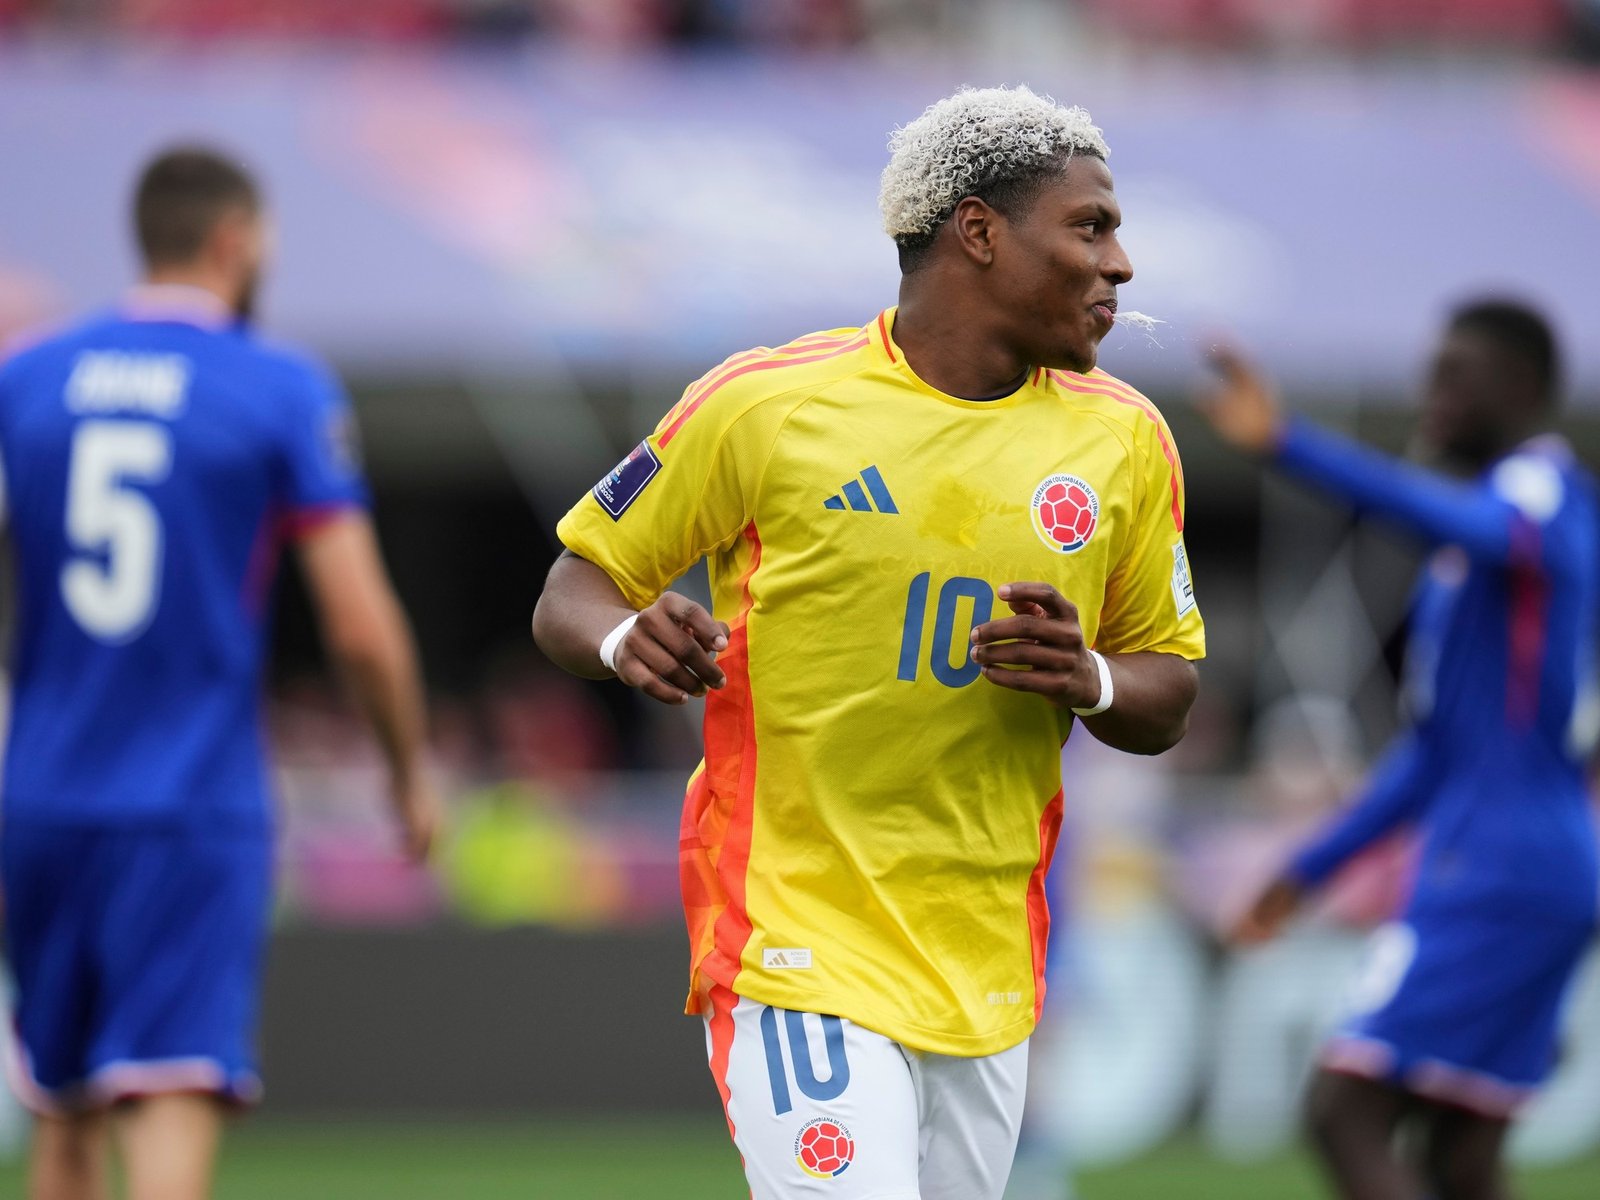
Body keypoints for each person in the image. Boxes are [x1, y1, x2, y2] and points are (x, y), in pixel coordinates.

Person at [533, 85, 1205, 1199]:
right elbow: (577, 586)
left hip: (981, 956)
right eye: (1089, 227)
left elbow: (1168, 686)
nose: (1120, 264)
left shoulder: (1125, 441)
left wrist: (1086, 676)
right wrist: (619, 643)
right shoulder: (766, 405)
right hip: (795, 934)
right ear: (979, 232)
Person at [0, 147, 439, 1200]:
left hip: (43, 799)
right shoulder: (275, 385)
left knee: (63, 1114)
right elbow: (359, 626)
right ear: (234, 240)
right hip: (190, 803)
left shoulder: (28, 378)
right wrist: (406, 771)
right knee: (170, 1097)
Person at [1203, 300, 1600, 1200]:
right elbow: (1433, 757)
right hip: (1518, 863)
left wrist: (1287, 444)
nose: (1433, 399)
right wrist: (1305, 872)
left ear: (1522, 387)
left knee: (1343, 1113)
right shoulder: (1475, 558)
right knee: (1462, 1160)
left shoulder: (1540, 494)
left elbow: (1464, 522)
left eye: (1456, 378)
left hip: (1499, 872)